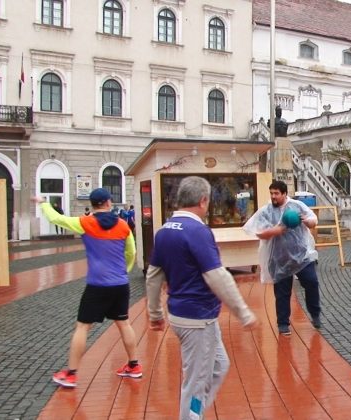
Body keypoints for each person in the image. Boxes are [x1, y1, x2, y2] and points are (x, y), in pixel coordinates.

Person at [145, 176, 257, 420]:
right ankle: (191, 416)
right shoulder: (198, 232)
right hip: (197, 319)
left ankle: (195, 413)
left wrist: (154, 314)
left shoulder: (164, 231)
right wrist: (243, 312)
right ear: (203, 200)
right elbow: (217, 276)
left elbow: (153, 276)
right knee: (196, 384)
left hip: (187, 316)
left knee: (219, 366)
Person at [33, 188, 138, 388]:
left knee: (82, 327)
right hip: (120, 283)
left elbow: (56, 218)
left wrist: (42, 202)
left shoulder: (84, 223)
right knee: (124, 323)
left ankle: (71, 373)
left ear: (92, 204)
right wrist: (125, 269)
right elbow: (131, 252)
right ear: (108, 203)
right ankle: (134, 365)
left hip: (97, 284)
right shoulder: (123, 225)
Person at [243, 180, 320, 336]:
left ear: (285, 194)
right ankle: (283, 324)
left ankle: (315, 314)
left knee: (312, 282)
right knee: (282, 293)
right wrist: (275, 231)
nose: (273, 196)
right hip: (279, 259)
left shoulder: (297, 206)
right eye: (271, 193)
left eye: (276, 193)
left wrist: (306, 221)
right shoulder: (266, 211)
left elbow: (313, 222)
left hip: (301, 256)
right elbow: (258, 233)